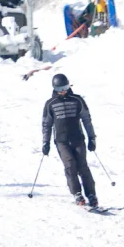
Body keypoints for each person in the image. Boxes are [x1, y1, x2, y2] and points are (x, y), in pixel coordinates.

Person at [42, 74, 99, 207]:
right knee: (70, 165)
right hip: (62, 141)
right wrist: (46, 142)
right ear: (54, 88)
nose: (63, 90)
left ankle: (91, 194)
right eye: (60, 88)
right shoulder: (50, 104)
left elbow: (86, 119)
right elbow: (46, 124)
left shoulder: (77, 100)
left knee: (83, 166)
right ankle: (77, 193)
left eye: (65, 87)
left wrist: (92, 138)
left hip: (78, 138)